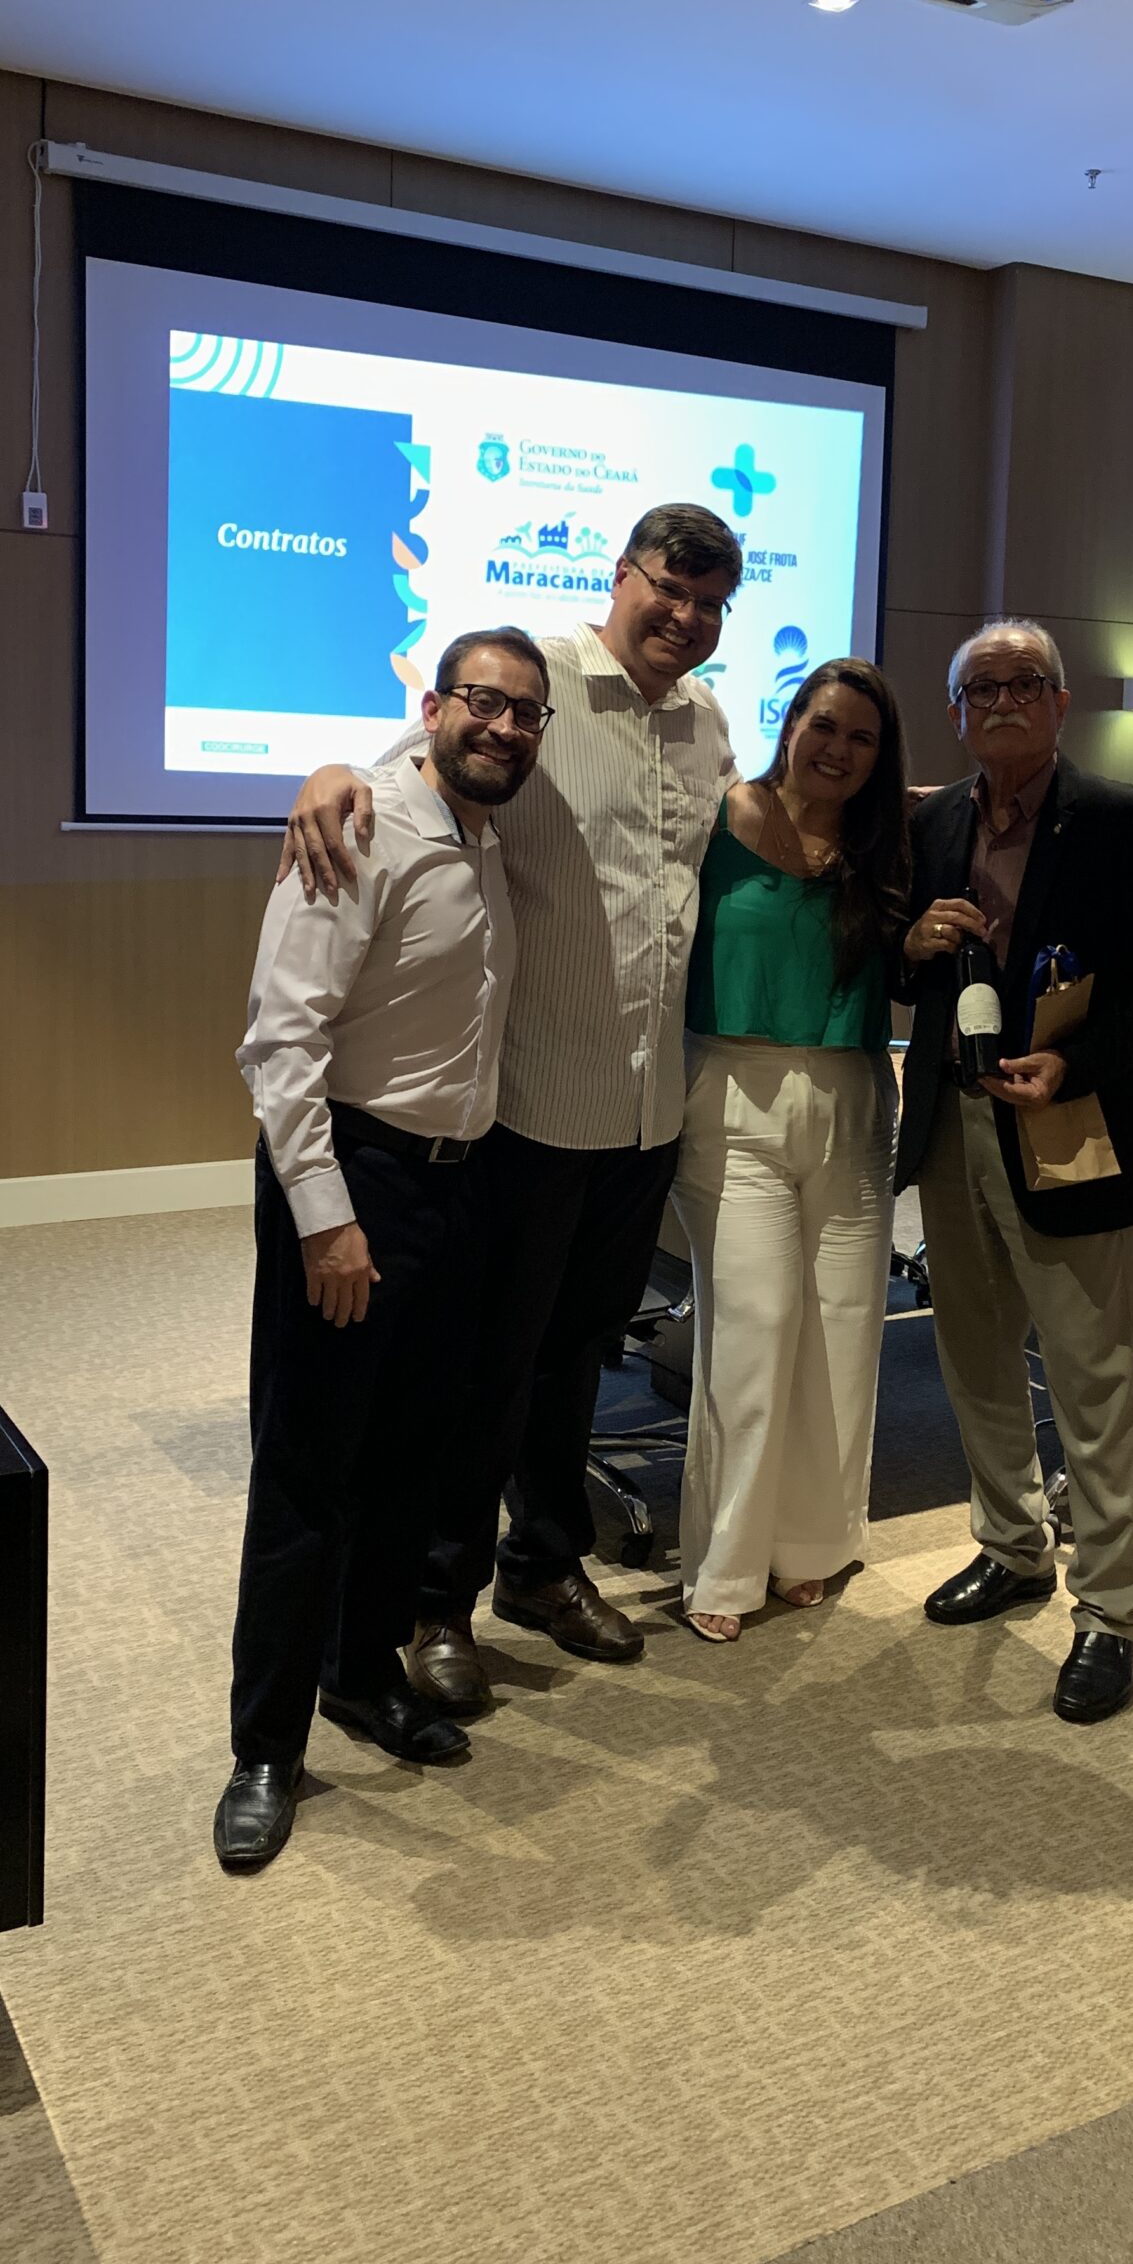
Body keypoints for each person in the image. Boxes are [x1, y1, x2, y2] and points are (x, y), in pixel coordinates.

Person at [280, 505, 742, 1692]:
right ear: (622, 576)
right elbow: (409, 768)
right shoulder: (539, 686)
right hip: (534, 1102)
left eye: (709, 603)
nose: (684, 617)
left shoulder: (706, 721)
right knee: (491, 1364)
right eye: (668, 588)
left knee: (581, 1352)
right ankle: (441, 1598)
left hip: (645, 1109)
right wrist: (330, 776)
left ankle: (544, 1563)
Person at [215, 628, 550, 1871]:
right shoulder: (357, 827)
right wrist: (327, 1214)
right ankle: (265, 1748)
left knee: (411, 1456)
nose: (502, 726)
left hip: (457, 1188)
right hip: (354, 1179)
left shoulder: (485, 834)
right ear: (436, 705)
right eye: (481, 702)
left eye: (526, 711)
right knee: (308, 1469)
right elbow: (278, 1041)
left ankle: (361, 1676)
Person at [895, 617, 1133, 1724]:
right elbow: (902, 970)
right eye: (981, 687)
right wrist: (914, 946)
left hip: (1070, 1127)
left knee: (1094, 1377)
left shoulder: (1122, 818)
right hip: (953, 1121)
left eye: (1025, 683)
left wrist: (1074, 1063)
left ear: (1062, 703)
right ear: (956, 712)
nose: (1003, 701)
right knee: (975, 1358)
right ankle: (1012, 1546)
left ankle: (1114, 1612)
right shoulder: (932, 820)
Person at [671, 659, 909, 1642]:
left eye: (862, 737)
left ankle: (811, 1543)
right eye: (825, 725)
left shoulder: (886, 846)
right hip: (733, 1095)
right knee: (754, 1329)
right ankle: (725, 1565)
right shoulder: (717, 817)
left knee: (843, 1330)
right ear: (790, 720)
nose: (838, 749)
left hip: (853, 1095)